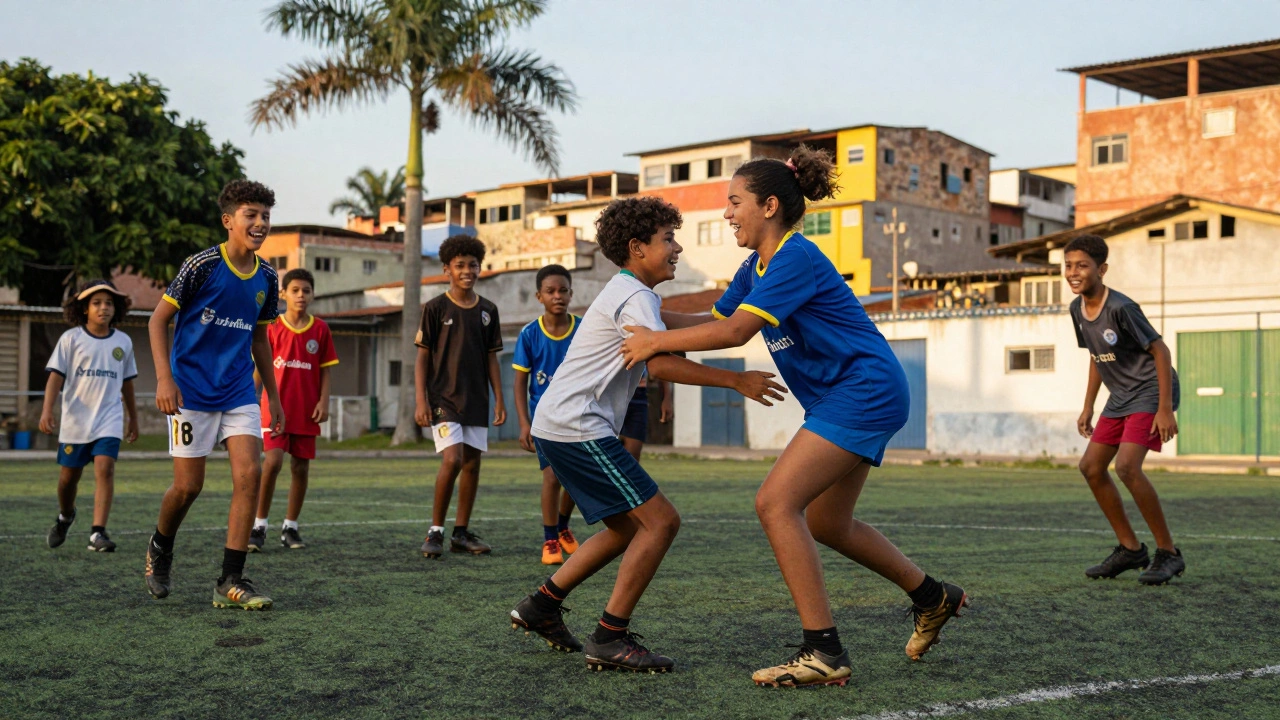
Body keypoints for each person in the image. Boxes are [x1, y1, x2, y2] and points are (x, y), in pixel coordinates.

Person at [621, 147, 967, 687]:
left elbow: (734, 334)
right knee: (826, 522)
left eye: (735, 202)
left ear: (770, 206)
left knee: (775, 503)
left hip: (864, 390)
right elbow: (711, 319)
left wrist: (655, 340)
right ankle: (932, 595)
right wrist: (632, 306)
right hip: (847, 396)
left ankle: (823, 651)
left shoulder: (794, 259)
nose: (727, 213)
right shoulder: (753, 267)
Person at [509, 196, 787, 674]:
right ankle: (610, 636)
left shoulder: (634, 293)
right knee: (661, 523)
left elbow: (698, 326)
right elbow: (657, 360)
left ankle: (541, 606)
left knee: (625, 530)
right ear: (637, 248)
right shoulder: (635, 297)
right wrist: (735, 380)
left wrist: (751, 315)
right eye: (668, 240)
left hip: (564, 424)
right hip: (577, 427)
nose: (677, 247)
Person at [144, 179, 284, 610]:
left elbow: (261, 341)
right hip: (191, 391)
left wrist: (273, 398)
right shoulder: (201, 265)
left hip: (240, 390)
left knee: (250, 475)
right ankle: (160, 547)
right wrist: (165, 380)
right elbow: (156, 321)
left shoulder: (268, 277)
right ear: (228, 221)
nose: (260, 223)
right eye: (251, 215)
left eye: (265, 216)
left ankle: (230, 579)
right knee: (188, 487)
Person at [1066, 234, 1185, 585]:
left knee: (1128, 467)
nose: (1074, 272)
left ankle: (1169, 553)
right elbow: (1095, 355)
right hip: (1120, 397)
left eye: (1082, 265)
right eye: (1068, 265)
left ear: (1101, 269)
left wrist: (1165, 409)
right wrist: (1088, 405)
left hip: (1151, 391)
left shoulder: (1121, 307)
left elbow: (1160, 351)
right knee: (1090, 467)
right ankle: (1130, 549)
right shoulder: (1076, 309)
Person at [415, 235, 505, 558]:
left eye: (472, 265)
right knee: (451, 459)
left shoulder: (488, 311)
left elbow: (492, 358)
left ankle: (461, 533)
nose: (467, 270)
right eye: (460, 265)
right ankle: (435, 531)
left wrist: (500, 399)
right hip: (443, 399)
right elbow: (422, 357)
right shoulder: (435, 308)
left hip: (477, 399)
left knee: (472, 463)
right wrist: (421, 401)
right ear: (446, 270)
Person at [40, 279, 139, 553]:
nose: (103, 308)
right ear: (84, 308)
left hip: (109, 419)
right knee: (68, 479)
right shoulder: (71, 339)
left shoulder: (123, 342)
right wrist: (47, 410)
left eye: (108, 303)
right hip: (76, 422)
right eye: (96, 303)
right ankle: (66, 515)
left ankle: (98, 533)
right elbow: (55, 379)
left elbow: (127, 383)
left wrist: (133, 417)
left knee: (105, 469)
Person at [249, 268, 338, 552]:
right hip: (275, 410)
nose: (301, 295)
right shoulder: (271, 326)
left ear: (312, 295)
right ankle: (259, 525)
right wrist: (250, 398)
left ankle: (290, 527)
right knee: (272, 462)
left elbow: (325, 371)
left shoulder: (320, 329)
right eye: (296, 290)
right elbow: (260, 368)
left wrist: (324, 401)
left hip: (305, 410)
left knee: (300, 467)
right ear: (284, 294)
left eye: (307, 291)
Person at [512, 264, 582, 565]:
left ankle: (563, 525)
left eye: (563, 290)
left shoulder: (583, 328)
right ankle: (550, 539)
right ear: (539, 296)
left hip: (578, 414)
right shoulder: (529, 334)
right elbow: (519, 383)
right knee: (552, 476)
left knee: (577, 478)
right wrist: (524, 423)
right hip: (543, 418)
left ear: (571, 293)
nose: (558, 296)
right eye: (551, 291)